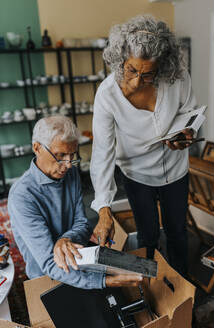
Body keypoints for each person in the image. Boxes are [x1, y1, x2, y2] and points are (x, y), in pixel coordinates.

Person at [90, 15, 198, 277]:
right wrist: (104, 208)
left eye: (148, 74)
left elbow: (190, 113)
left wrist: (186, 134)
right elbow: (103, 152)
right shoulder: (107, 94)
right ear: (120, 60)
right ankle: (151, 282)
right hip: (136, 174)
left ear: (161, 67)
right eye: (132, 70)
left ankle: (182, 285)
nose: (138, 81)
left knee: (177, 231)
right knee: (148, 235)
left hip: (175, 170)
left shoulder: (178, 78)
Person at [8, 116, 142, 289]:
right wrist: (105, 281)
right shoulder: (22, 196)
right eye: (60, 155)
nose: (69, 164)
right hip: (48, 277)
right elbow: (49, 263)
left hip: (81, 259)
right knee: (112, 296)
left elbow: (82, 224)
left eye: (72, 155)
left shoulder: (69, 174)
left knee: (141, 269)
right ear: (37, 148)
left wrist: (65, 239)